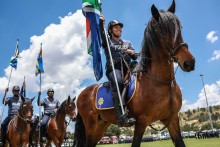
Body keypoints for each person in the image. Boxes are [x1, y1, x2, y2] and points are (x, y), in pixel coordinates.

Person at [99, 16, 137, 126]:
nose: (119, 29)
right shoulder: (107, 41)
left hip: (129, 67)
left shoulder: (127, 42)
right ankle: (121, 116)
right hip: (114, 68)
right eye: (116, 28)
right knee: (119, 81)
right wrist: (101, 24)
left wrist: (132, 52)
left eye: (120, 28)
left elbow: (135, 57)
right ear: (110, 30)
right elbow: (102, 33)